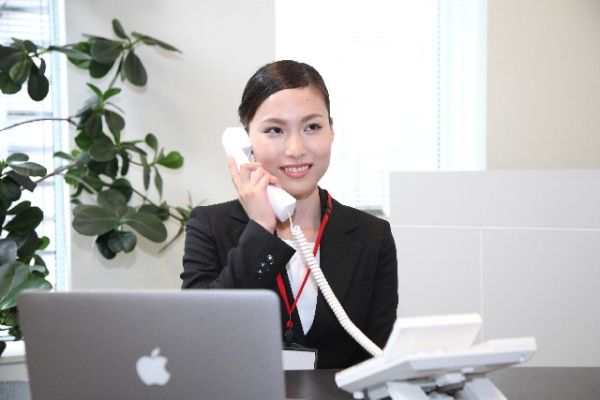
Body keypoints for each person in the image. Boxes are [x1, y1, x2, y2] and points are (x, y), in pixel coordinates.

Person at [181, 60, 398, 369]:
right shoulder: (209, 226)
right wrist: (260, 229)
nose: (296, 148)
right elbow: (199, 336)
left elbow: (378, 361)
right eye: (275, 130)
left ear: (332, 131)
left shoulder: (372, 235)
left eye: (312, 127)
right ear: (245, 142)